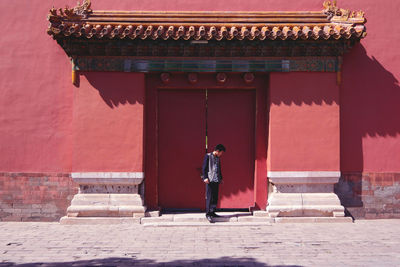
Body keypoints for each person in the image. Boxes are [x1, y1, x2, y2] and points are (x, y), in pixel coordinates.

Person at [201, 144, 226, 223]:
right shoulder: (208, 156)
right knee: (209, 197)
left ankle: (212, 212)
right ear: (218, 151)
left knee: (215, 197)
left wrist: (220, 178)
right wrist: (205, 177)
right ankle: (208, 214)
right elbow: (204, 167)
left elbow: (219, 168)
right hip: (209, 179)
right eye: (221, 152)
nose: (221, 154)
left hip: (216, 180)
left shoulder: (218, 158)